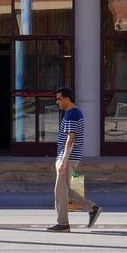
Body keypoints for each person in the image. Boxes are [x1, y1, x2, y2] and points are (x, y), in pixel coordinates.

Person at [47, 87, 100, 232]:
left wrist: (63, 161)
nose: (57, 102)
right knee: (65, 190)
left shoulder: (72, 114)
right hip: (68, 156)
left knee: (60, 191)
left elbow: (70, 139)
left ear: (67, 99)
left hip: (68, 157)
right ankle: (92, 208)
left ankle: (63, 223)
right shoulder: (72, 113)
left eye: (59, 99)